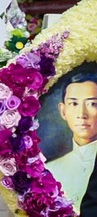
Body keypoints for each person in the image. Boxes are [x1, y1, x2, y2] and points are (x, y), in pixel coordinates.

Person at [46, 73, 97, 205]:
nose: (82, 114)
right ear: (63, 111)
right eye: (74, 103)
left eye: (92, 104)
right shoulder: (50, 171)